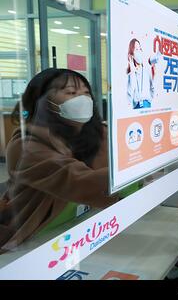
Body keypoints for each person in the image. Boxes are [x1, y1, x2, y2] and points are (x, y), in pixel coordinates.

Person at [0, 68, 118, 253]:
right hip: (33, 238)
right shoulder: (26, 146)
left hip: (82, 227)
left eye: (86, 92)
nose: (83, 99)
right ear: (43, 102)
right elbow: (78, 181)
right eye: (71, 92)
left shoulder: (97, 133)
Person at [127, 38, 158, 109]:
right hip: (136, 107)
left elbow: (153, 90)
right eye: (136, 50)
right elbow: (130, 94)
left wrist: (154, 76)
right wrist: (132, 70)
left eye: (140, 49)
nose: (139, 52)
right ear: (132, 54)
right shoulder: (131, 73)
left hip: (147, 104)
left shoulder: (146, 69)